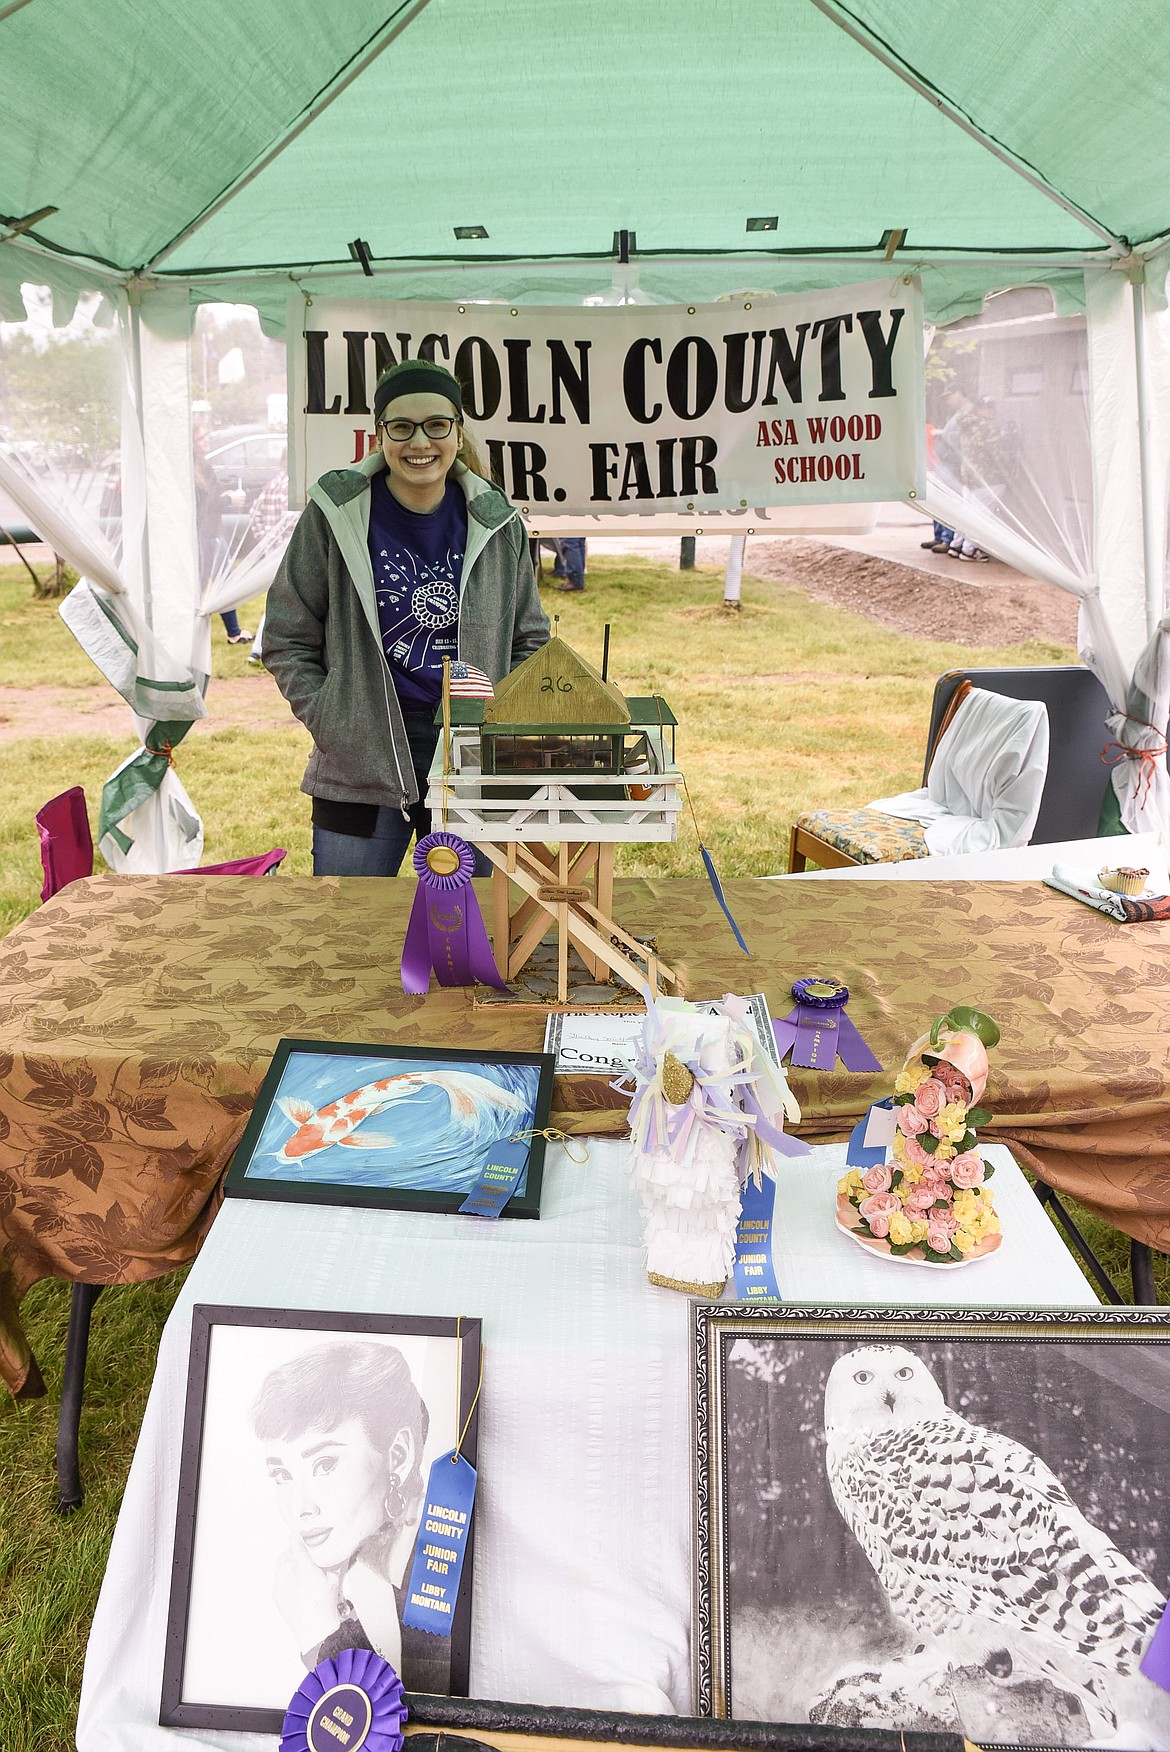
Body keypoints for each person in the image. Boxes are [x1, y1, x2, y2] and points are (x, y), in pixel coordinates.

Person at [264, 357, 549, 875]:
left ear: (458, 435)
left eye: (437, 425)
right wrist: (335, 718)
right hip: (359, 761)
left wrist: (498, 724)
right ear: (380, 435)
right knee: (349, 929)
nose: (420, 442)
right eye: (402, 426)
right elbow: (287, 635)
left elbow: (530, 638)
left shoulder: (497, 520)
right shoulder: (336, 513)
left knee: (470, 931)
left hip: (471, 760)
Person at [251, 1340, 450, 1692]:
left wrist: (323, 1634)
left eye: (324, 1465)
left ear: (399, 1456)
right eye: (282, 1474)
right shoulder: (369, 1575)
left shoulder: (436, 1572)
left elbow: (408, 1733)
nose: (301, 1507)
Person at [194, 428, 254, 643]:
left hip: (212, 533)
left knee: (224, 582)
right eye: (201, 437)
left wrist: (227, 495)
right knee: (201, 584)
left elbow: (213, 496)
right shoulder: (191, 470)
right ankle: (227, 632)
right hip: (202, 536)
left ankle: (234, 632)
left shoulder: (203, 466)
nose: (206, 440)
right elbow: (205, 505)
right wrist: (230, 500)